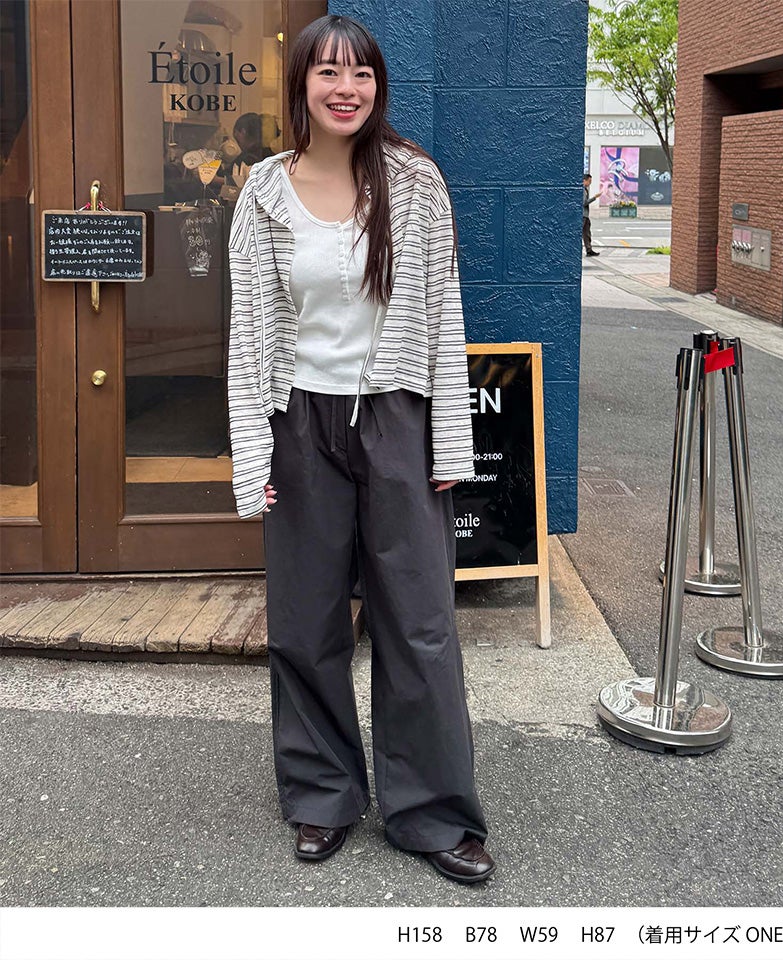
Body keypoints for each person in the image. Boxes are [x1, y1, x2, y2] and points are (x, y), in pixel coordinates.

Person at [226, 15, 495, 885]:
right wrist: (251, 453)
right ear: (301, 83)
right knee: (305, 621)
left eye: (362, 74)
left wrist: (450, 440)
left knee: (419, 622)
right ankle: (323, 794)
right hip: (298, 420)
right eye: (329, 73)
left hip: (398, 420)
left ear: (378, 85)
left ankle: (432, 811)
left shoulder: (416, 182)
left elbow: (444, 315)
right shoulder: (264, 192)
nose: (347, 89)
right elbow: (247, 334)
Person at [583, 173, 601, 256]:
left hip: (585, 215)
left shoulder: (585, 189)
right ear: (584, 180)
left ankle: (589, 250)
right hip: (583, 215)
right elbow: (584, 203)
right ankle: (588, 249)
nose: (590, 183)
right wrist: (595, 197)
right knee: (584, 232)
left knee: (587, 233)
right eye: (589, 181)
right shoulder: (582, 190)